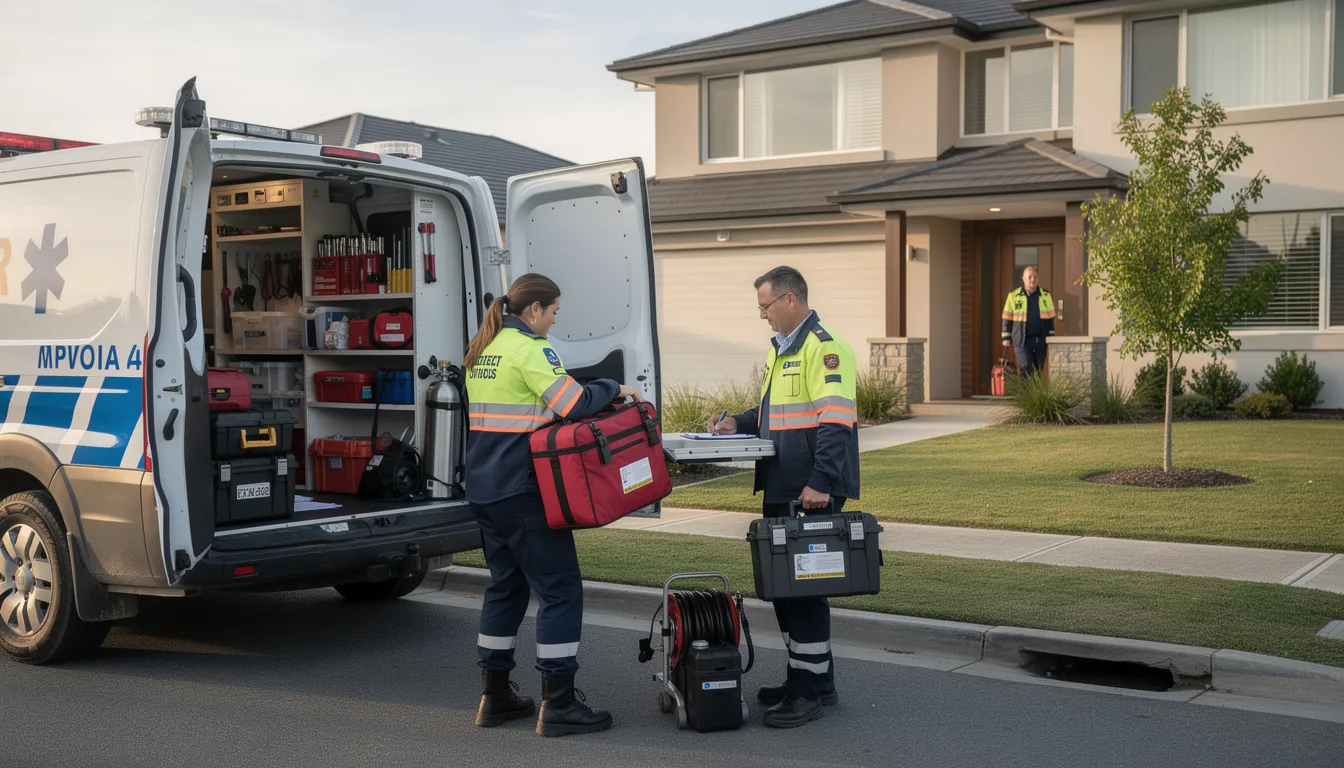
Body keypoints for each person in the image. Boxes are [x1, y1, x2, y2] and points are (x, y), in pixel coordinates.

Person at [463, 273, 642, 737]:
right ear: (535, 310)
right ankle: (558, 704)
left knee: (506, 587)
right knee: (561, 589)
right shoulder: (531, 349)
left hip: (484, 487)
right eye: (555, 312)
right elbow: (575, 404)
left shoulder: (484, 348)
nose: (556, 320)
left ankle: (494, 696)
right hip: (522, 489)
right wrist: (614, 387)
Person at [709, 266, 859, 729]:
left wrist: (820, 484)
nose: (762, 315)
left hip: (808, 492)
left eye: (765, 306)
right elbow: (776, 412)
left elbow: (835, 424)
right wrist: (739, 420)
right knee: (784, 591)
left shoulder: (825, 349)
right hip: (782, 487)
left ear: (790, 300)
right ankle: (811, 676)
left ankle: (808, 692)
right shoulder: (783, 350)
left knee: (805, 594)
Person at [1001, 265, 1056, 378]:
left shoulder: (1046, 295)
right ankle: (1024, 395)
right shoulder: (1013, 296)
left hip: (1040, 341)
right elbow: (1007, 317)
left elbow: (1050, 319)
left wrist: (1051, 338)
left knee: (1038, 370)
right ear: (1023, 278)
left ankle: (1033, 395)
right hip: (1021, 340)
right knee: (1026, 368)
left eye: (1035, 277)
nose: (1033, 279)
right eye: (1030, 277)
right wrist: (1006, 337)